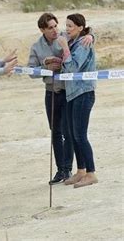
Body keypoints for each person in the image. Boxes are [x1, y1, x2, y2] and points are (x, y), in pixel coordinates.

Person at [27, 13, 94, 185]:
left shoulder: (70, 40)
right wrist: (47, 64)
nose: (57, 30)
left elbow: (73, 62)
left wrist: (90, 35)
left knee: (73, 133)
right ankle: (66, 170)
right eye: (51, 27)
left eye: (58, 25)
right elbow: (31, 71)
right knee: (59, 131)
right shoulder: (38, 46)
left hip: (72, 92)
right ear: (42, 30)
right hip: (53, 92)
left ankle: (79, 170)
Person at [57, 13, 98, 188]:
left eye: (71, 26)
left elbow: (73, 67)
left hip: (83, 92)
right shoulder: (75, 42)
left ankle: (91, 172)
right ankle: (81, 170)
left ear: (80, 28)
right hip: (73, 93)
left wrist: (65, 48)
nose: (67, 29)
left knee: (80, 135)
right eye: (66, 25)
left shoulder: (83, 43)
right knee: (74, 135)